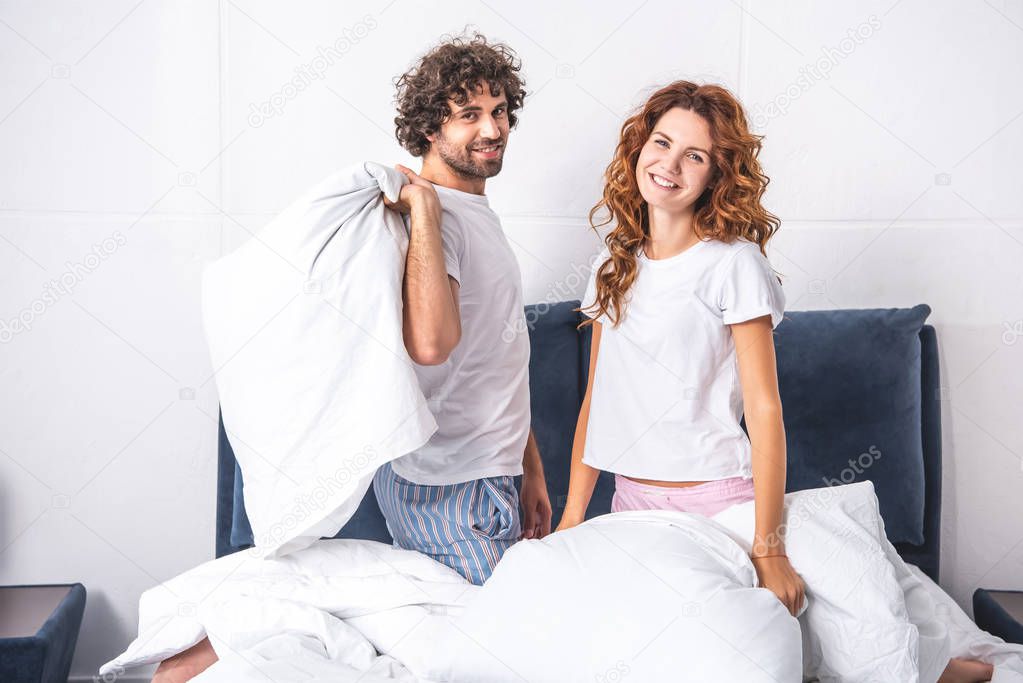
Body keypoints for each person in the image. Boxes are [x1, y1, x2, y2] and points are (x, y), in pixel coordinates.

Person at [553, 80, 991, 683]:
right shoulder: (613, 270)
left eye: (695, 156)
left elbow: (764, 411)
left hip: (718, 503)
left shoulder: (733, 264)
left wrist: (769, 546)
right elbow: (595, 403)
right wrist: (574, 517)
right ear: (637, 150)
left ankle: (956, 672)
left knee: (860, 648)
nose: (671, 165)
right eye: (662, 143)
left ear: (716, 176)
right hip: (632, 507)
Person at [151, 33, 552, 682]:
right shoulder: (439, 217)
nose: (493, 127)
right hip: (454, 483)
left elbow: (494, 360)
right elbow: (430, 343)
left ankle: (221, 647)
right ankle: (222, 649)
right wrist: (421, 208)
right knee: (481, 656)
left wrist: (528, 468)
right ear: (429, 126)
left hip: (484, 473)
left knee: (423, 623)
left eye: (501, 110)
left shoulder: (475, 214)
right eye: (469, 113)